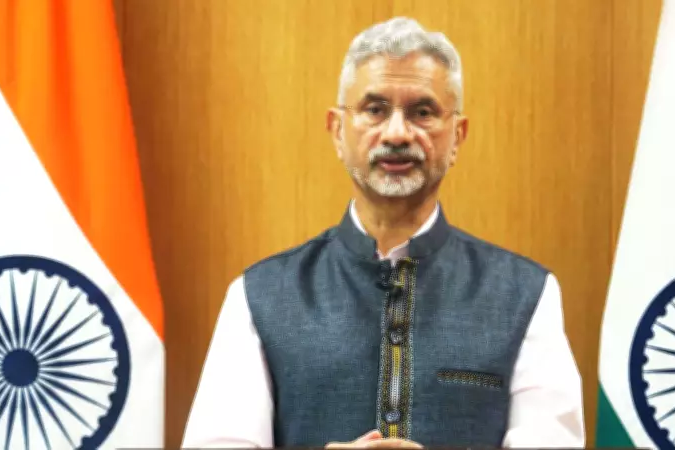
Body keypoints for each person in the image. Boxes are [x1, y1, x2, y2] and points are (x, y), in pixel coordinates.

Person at [181, 17, 585, 449]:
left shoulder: (525, 295)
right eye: (375, 110)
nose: (396, 133)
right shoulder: (259, 296)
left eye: (422, 112)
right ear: (338, 131)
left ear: (457, 137)